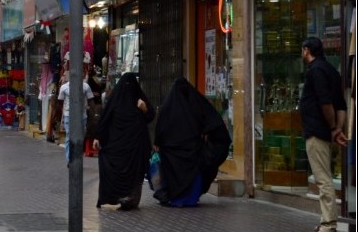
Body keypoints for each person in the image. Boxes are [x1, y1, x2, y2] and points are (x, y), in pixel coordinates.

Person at [152, 77, 232, 208]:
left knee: (174, 176)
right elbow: (213, 122)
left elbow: (160, 132)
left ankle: (175, 196)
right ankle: (189, 198)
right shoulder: (195, 104)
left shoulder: (167, 107)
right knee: (192, 176)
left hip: (171, 156)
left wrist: (160, 144)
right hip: (193, 154)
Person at [299, 37, 348, 232]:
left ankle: (328, 225)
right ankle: (327, 221)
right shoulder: (331, 70)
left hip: (317, 131)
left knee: (323, 178)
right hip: (327, 131)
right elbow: (341, 105)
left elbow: (326, 103)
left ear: (307, 50)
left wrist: (333, 128)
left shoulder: (316, 71)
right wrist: (338, 128)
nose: (301, 54)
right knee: (325, 176)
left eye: (302, 50)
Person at [93, 72, 155, 210]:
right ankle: (122, 197)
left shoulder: (138, 101)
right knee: (124, 170)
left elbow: (150, 116)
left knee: (135, 171)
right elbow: (105, 120)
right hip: (120, 147)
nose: (128, 88)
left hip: (135, 147)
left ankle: (130, 199)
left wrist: (144, 109)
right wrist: (97, 137)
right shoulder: (116, 101)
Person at [57, 65, 94, 166]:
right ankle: (70, 159)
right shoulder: (64, 87)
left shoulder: (86, 86)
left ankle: (77, 157)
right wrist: (64, 113)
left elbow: (91, 101)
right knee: (69, 136)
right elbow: (60, 101)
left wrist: (93, 115)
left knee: (81, 137)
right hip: (69, 115)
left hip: (82, 116)